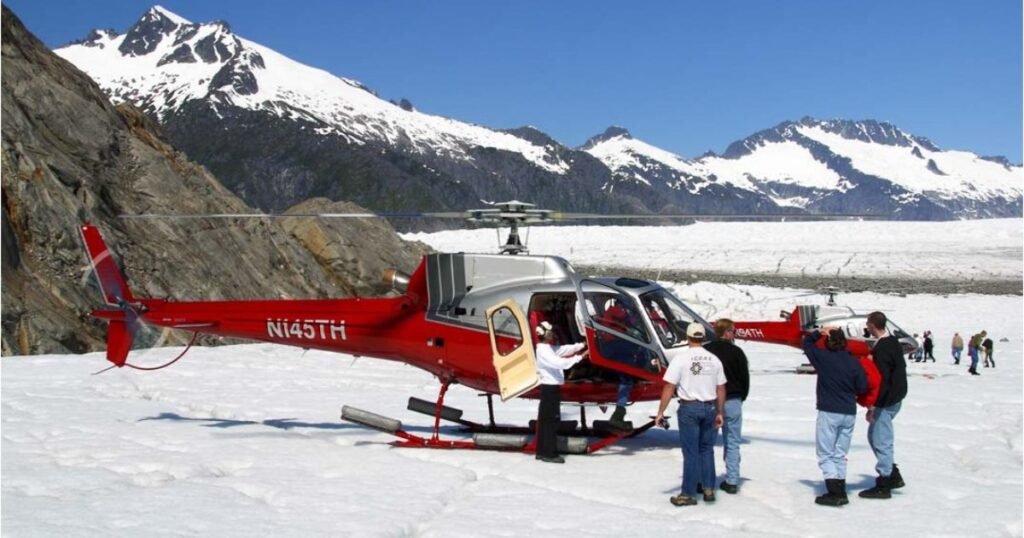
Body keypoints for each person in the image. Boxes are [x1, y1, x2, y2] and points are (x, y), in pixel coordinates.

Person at [654, 323, 726, 507]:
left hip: (689, 408)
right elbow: (720, 388)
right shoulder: (714, 359)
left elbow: (669, 386)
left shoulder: (681, 359)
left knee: (691, 452)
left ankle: (688, 493)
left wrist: (661, 411)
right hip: (710, 408)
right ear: (702, 337)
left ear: (688, 337)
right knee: (707, 449)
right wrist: (719, 411)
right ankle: (709, 488)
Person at [803, 328, 867, 506]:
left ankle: (834, 490)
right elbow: (862, 386)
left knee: (825, 453)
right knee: (840, 453)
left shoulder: (823, 358)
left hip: (829, 410)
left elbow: (806, 344)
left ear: (829, 342)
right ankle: (840, 484)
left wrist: (818, 332)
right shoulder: (853, 362)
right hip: (848, 411)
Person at [859, 311, 908, 499]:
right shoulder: (892, 342)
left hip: (886, 400)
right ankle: (892, 473)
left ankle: (885, 481)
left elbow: (882, 379)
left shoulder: (882, 349)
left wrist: (873, 405)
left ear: (872, 325)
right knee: (875, 436)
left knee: (880, 439)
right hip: (895, 397)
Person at [703, 318, 749, 494]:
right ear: (727, 332)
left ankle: (705, 479)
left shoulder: (707, 351)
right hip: (733, 400)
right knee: (732, 442)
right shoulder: (737, 352)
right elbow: (744, 378)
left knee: (707, 443)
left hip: (712, 400)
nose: (735, 334)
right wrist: (740, 396)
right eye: (733, 331)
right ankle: (732, 480)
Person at [534, 321, 588, 464]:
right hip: (549, 389)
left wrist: (582, 345)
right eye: (550, 332)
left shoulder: (548, 348)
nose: (553, 334)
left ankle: (541, 451)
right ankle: (549, 454)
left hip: (551, 388)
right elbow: (560, 363)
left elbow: (563, 350)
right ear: (544, 334)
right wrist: (581, 357)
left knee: (546, 420)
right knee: (551, 421)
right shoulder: (543, 351)